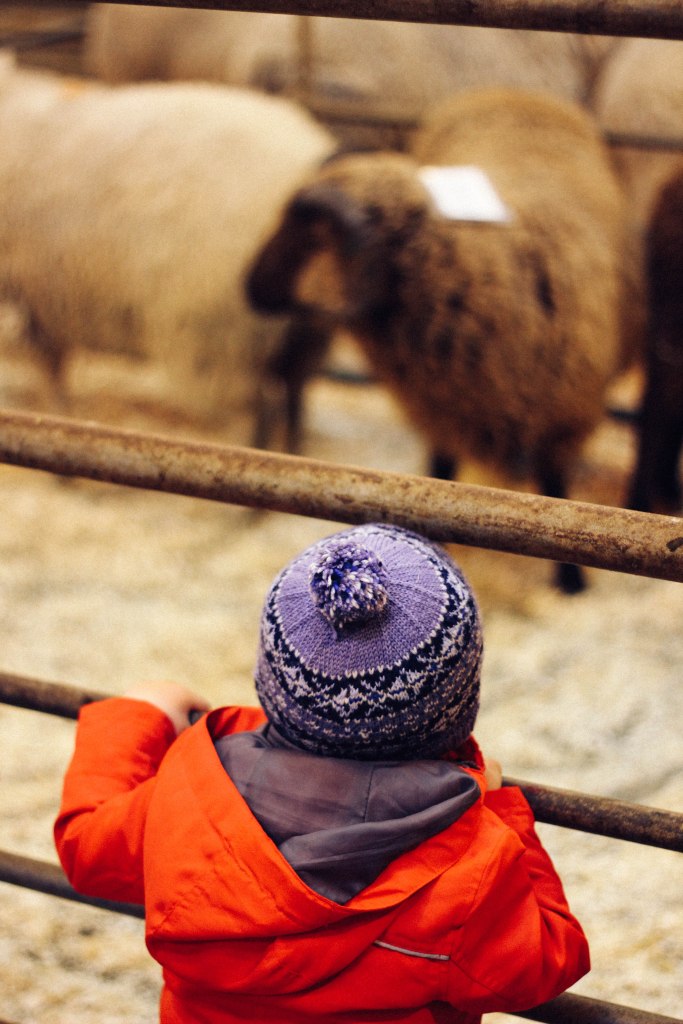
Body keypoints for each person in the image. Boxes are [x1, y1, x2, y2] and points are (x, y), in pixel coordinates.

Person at [54, 522, 590, 1024]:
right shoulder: (470, 871)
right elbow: (549, 957)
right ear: (457, 705)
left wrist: (141, 714)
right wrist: (502, 811)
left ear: (275, 682)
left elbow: (85, 845)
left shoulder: (184, 798)